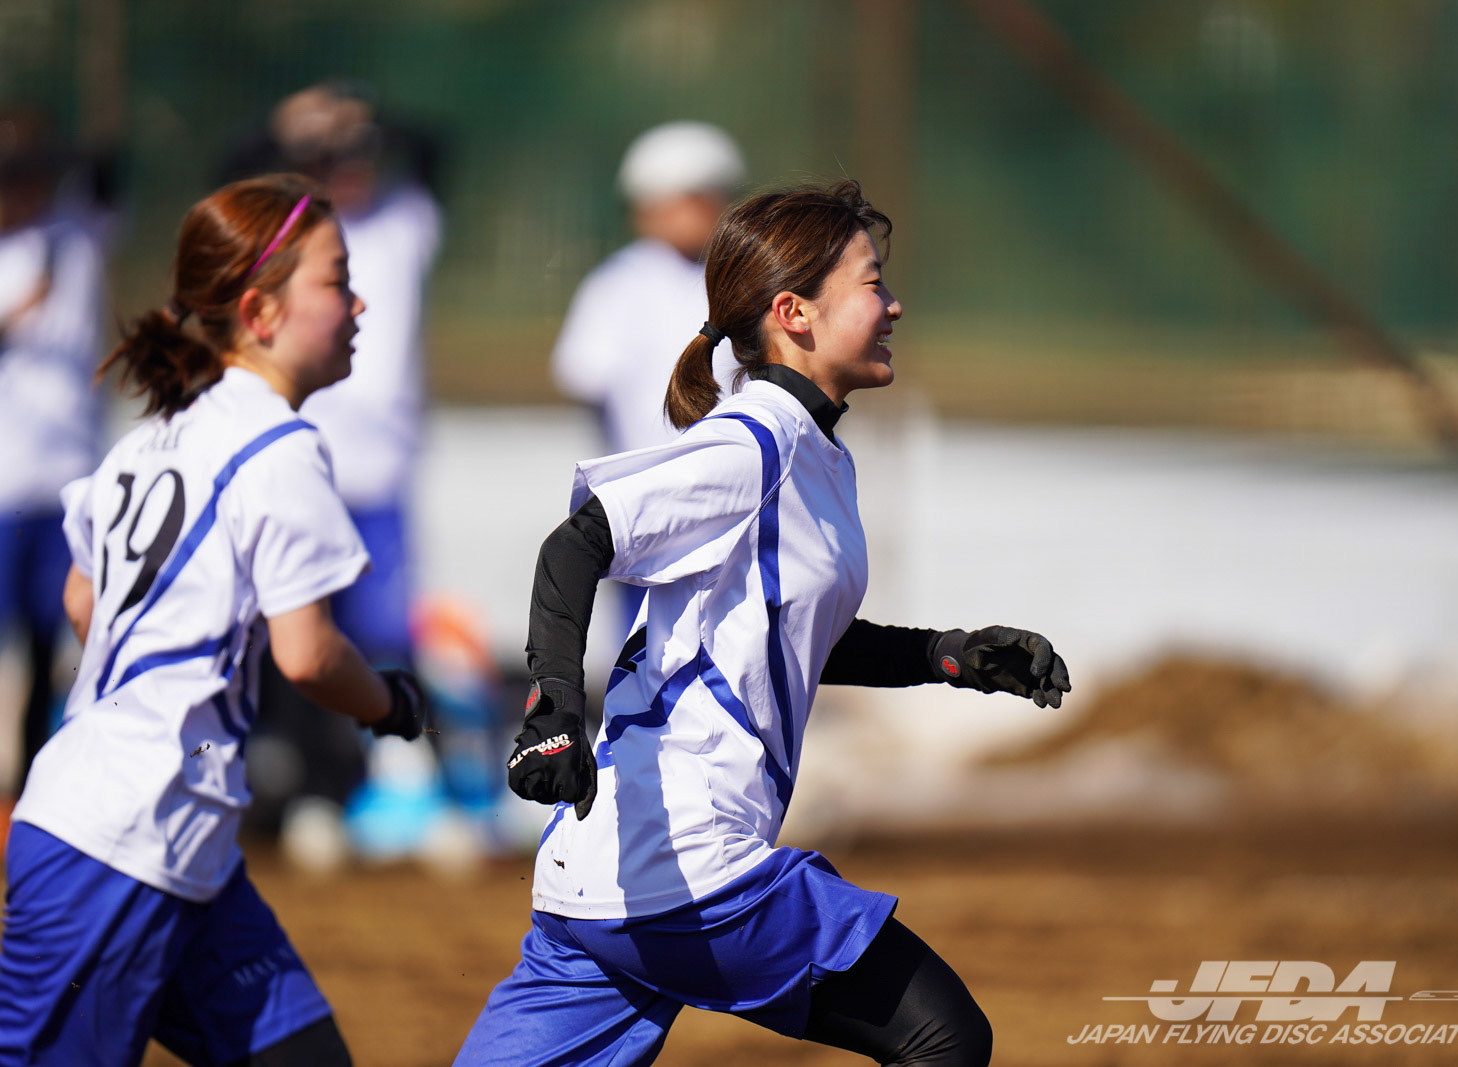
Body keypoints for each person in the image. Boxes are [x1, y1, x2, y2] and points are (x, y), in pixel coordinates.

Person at [457, 182, 1070, 1066]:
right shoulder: (754, 442)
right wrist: (552, 707)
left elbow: (787, 634)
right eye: (872, 283)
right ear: (794, 313)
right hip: (689, 868)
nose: (894, 305)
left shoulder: (815, 454)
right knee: (944, 1036)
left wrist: (949, 655)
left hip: (598, 873)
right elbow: (577, 543)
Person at [0, 174, 430, 1067]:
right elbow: (308, 654)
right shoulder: (278, 448)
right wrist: (391, 702)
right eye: (337, 280)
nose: (359, 303)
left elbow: (83, 599)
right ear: (260, 310)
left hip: (170, 833)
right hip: (120, 843)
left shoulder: (150, 438)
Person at [222, 82, 445, 862]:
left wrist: (358, 112)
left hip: (380, 470)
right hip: (300, 463)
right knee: (296, 632)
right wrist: (288, 127)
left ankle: (401, 786)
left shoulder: (406, 222)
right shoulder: (292, 236)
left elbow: (438, 146)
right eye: (327, 157)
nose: (346, 168)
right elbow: (227, 179)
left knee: (384, 633)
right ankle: (315, 786)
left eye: (357, 154)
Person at [0, 107, 109, 865]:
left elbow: (110, 163)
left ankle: (30, 790)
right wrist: (9, 319)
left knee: (44, 636)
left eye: (36, 175)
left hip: (63, 473)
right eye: (10, 177)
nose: (25, 191)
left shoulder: (77, 233)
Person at [550, 119, 745, 633]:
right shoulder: (619, 283)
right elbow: (583, 375)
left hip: (734, 499)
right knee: (642, 643)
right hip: (647, 500)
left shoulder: (740, 278)